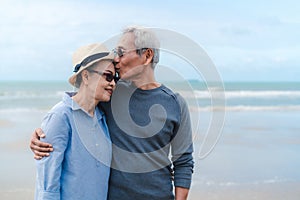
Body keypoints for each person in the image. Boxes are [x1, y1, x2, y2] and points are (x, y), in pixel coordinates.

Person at [30, 26, 194, 200]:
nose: (116, 59)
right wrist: (42, 135)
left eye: (121, 52)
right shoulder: (110, 96)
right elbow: (77, 105)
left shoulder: (176, 103)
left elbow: (183, 161)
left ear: (147, 56)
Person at [34, 43, 117, 200]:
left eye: (115, 78)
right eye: (108, 76)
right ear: (85, 76)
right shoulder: (60, 117)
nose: (113, 83)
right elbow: (47, 186)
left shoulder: (103, 118)